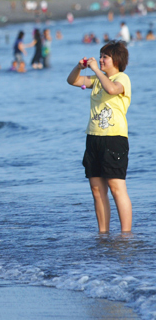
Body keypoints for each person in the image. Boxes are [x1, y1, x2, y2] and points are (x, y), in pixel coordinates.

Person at [66, 40, 132, 233]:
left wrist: (96, 70)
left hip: (114, 138)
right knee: (96, 189)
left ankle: (125, 235)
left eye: (105, 57)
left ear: (116, 60)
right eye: (100, 56)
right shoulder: (97, 80)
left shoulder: (122, 78)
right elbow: (72, 81)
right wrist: (79, 67)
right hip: (93, 138)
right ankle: (103, 234)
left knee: (116, 187)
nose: (101, 60)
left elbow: (112, 89)